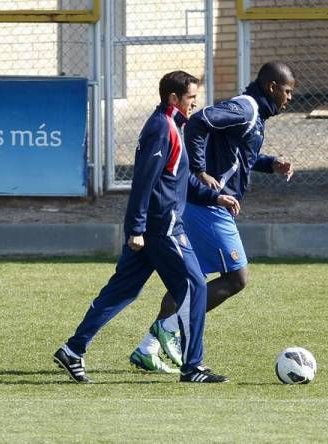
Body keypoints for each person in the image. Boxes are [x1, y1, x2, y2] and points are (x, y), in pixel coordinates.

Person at [53, 70, 240, 384]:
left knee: (120, 291)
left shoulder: (173, 126)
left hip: (154, 229)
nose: (195, 104)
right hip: (162, 229)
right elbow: (144, 183)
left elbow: (178, 183)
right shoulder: (161, 129)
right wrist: (136, 230)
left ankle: (73, 350)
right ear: (174, 99)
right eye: (191, 98)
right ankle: (193, 366)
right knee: (195, 287)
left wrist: (215, 197)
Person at [129, 61, 296, 373]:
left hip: (201, 203)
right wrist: (200, 170)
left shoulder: (254, 115)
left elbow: (238, 154)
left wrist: (271, 163)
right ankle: (170, 328)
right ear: (272, 87)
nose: (289, 98)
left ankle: (147, 349)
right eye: (287, 91)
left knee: (187, 281)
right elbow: (199, 122)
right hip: (209, 206)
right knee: (236, 278)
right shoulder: (246, 108)